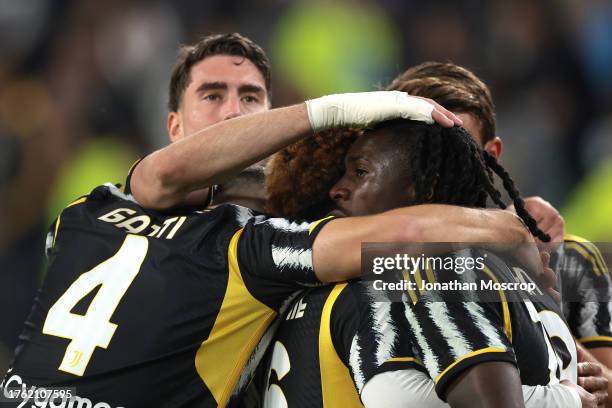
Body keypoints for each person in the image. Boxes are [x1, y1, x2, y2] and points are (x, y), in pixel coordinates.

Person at [0, 33, 531, 408]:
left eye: (250, 98)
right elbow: (166, 177)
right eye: (212, 95)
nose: (233, 112)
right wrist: (509, 228)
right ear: (174, 125)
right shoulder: (231, 244)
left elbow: (403, 243)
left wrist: (556, 350)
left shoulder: (86, 214)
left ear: (273, 127)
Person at [260, 120, 601, 408]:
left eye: (361, 172)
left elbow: (397, 399)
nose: (338, 188)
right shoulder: (526, 274)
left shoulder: (422, 273)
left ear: (422, 186)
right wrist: (569, 399)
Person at [386, 61, 612, 406]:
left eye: (457, 154)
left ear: (492, 156)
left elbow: (604, 386)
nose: (436, 174)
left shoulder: (573, 261)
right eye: (418, 155)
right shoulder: (363, 257)